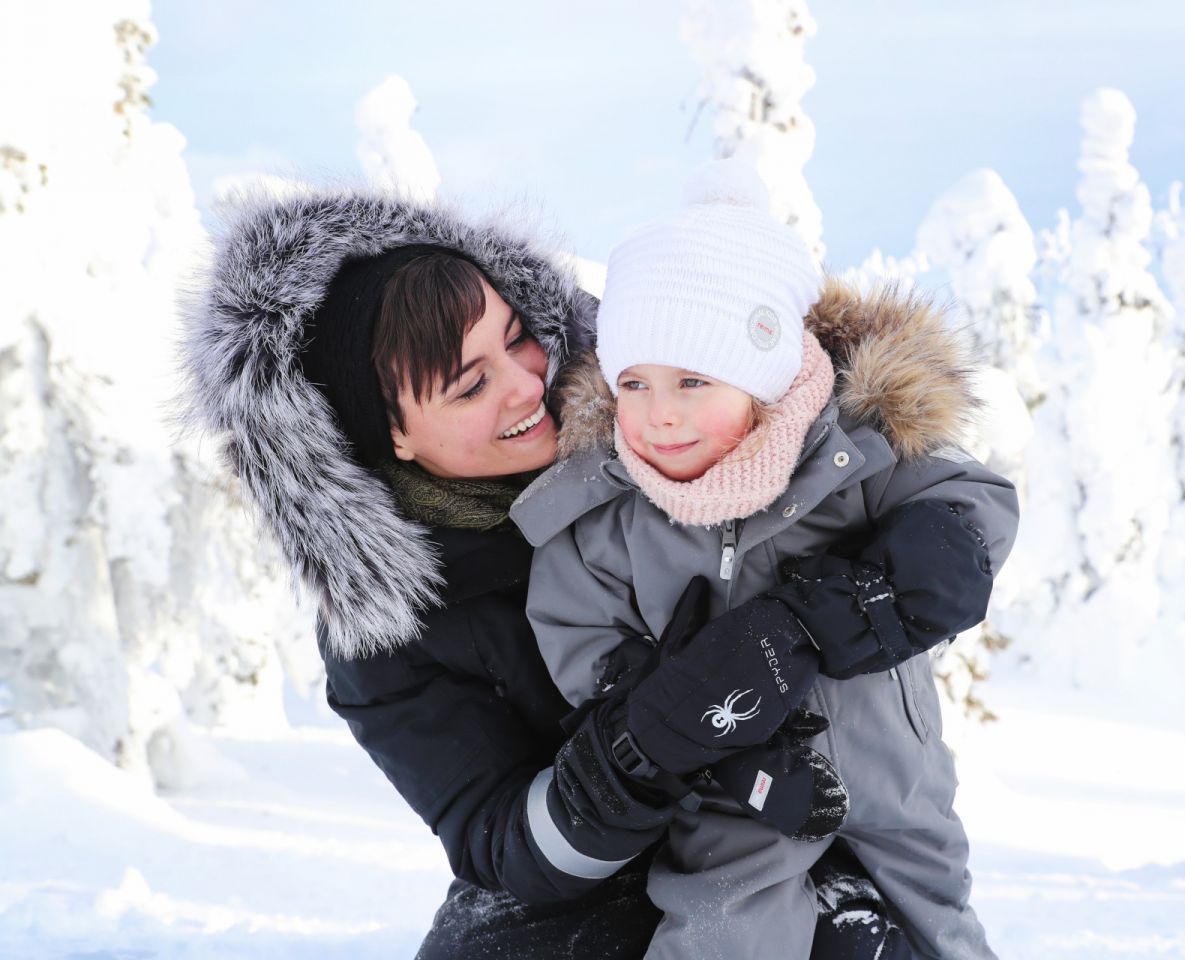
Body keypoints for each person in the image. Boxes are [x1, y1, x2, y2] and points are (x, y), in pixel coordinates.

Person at [180, 185, 940, 958]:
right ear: (392, 437)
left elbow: (818, 417)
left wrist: (900, 564)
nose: (524, 384)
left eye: (516, 338)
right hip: (593, 881)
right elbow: (499, 839)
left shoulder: (643, 401)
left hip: (797, 815)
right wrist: (648, 743)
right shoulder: (391, 634)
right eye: (470, 384)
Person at [513, 161, 1018, 960]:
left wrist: (902, 575)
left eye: (692, 380)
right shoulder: (608, 512)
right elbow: (582, 641)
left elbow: (975, 504)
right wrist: (706, 735)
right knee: (722, 923)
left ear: (762, 380)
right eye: (635, 383)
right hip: (741, 793)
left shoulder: (850, 451)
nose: (659, 414)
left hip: (896, 771)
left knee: (942, 923)